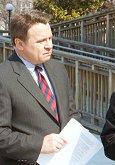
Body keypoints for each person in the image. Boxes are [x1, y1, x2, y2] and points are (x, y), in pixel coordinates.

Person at [0, 10, 76, 164]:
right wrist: (39, 145)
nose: (49, 46)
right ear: (19, 44)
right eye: (41, 41)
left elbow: (71, 112)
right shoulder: (3, 76)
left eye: (50, 38)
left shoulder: (58, 68)